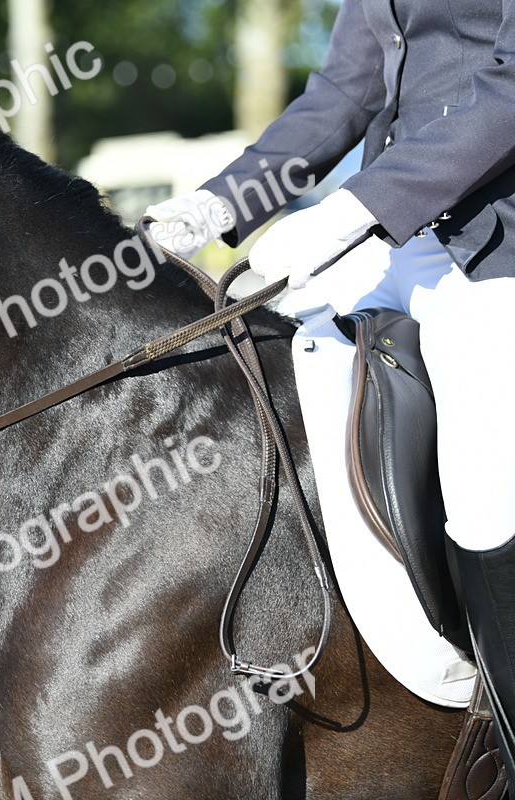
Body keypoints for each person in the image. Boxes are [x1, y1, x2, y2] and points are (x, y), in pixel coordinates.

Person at [146, 0, 515, 781]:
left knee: (488, 489)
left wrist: (358, 206)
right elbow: (346, 88)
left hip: (497, 245)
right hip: (396, 241)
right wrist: (219, 202)